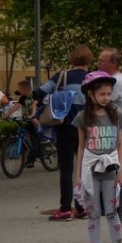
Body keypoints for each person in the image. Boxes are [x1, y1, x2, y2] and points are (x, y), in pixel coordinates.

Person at [73, 71, 122, 243]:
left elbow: (120, 144)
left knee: (112, 213)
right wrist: (78, 175)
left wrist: (121, 170)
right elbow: (80, 147)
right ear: (90, 94)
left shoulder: (115, 115)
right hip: (90, 170)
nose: (107, 97)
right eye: (102, 94)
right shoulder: (82, 118)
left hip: (111, 170)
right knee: (93, 214)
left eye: (109, 93)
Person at [34, 45, 92, 221]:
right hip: (87, 128)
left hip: (65, 127)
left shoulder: (62, 76)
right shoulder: (91, 78)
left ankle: (66, 209)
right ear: (89, 60)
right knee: (84, 168)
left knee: (66, 169)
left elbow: (39, 93)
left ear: (72, 59)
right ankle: (82, 207)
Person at [97, 47, 122, 113]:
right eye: (99, 60)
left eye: (102, 61)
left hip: (109, 122)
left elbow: (99, 104)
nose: (98, 63)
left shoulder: (116, 81)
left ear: (114, 63)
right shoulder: (111, 78)